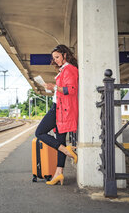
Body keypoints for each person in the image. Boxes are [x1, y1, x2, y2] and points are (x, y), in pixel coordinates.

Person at [35, 44, 78, 185]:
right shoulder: (63, 70)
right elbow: (62, 90)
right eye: (54, 58)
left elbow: (70, 90)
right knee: (60, 140)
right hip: (61, 108)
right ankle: (58, 173)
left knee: (39, 132)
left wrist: (54, 87)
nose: (56, 60)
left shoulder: (69, 69)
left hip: (60, 109)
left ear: (65, 55)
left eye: (58, 57)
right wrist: (53, 89)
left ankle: (66, 151)